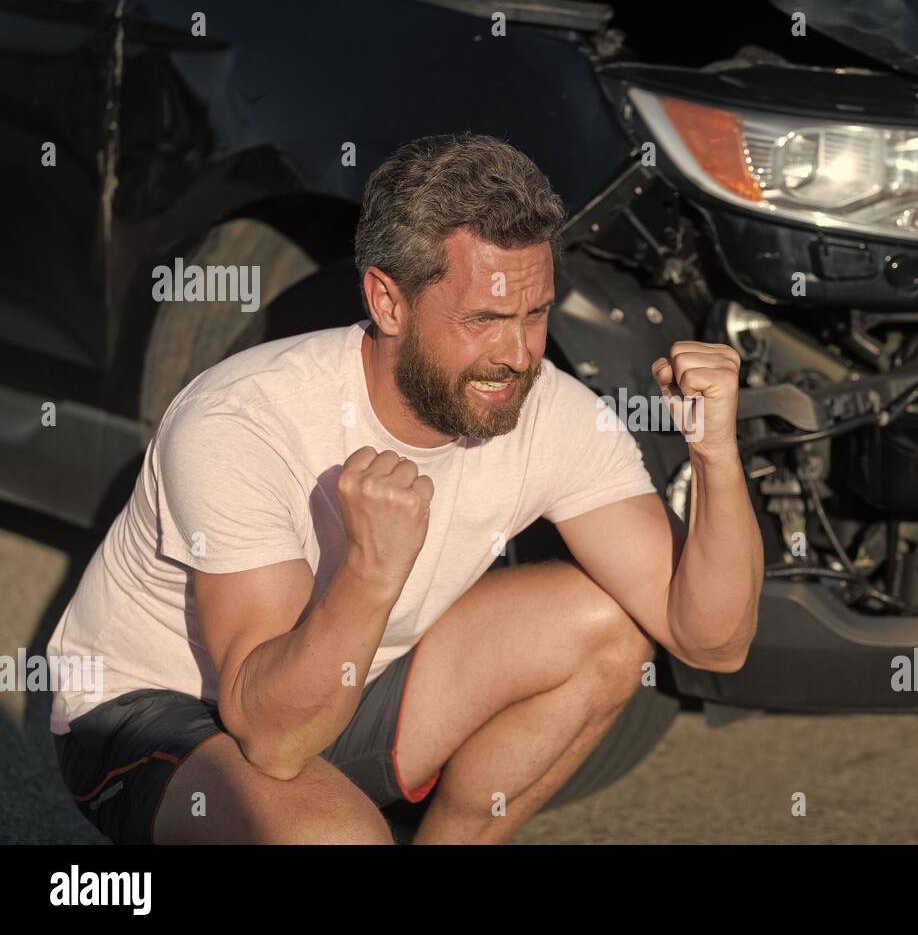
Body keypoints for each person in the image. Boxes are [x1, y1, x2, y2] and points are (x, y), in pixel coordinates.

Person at [45, 133, 762, 844]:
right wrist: (369, 571)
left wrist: (716, 457)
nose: (517, 355)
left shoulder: (553, 411)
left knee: (606, 628)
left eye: (534, 314)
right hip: (161, 711)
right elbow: (271, 735)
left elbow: (713, 642)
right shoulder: (243, 419)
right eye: (483, 319)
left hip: (347, 687)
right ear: (388, 302)